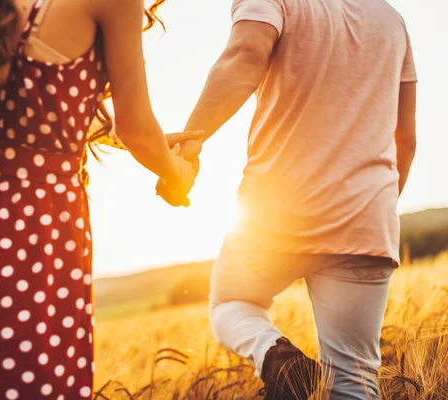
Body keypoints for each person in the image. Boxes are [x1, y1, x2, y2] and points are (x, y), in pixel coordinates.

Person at [0, 0, 199, 398]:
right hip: (12, 247)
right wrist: (175, 171)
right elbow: (139, 130)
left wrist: (142, 145)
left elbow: (26, 110)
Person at [160, 0, 418, 398]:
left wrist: (191, 141)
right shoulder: (392, 20)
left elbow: (245, 54)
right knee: (354, 379)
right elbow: (407, 139)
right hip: (366, 217)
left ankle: (278, 360)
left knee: (231, 304)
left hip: (274, 212)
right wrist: (373, 210)